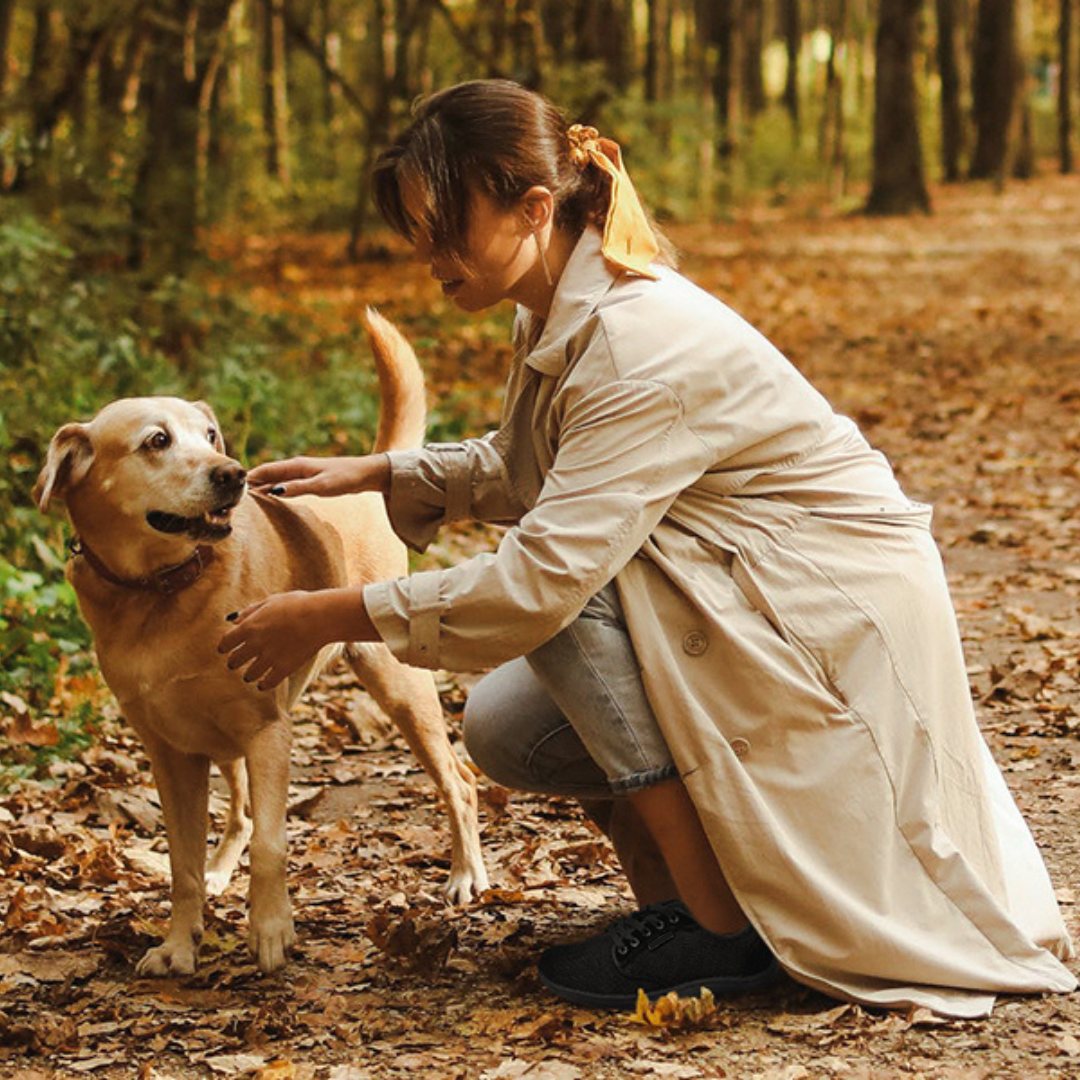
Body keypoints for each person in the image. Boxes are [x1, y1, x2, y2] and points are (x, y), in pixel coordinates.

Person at [219, 79, 1076, 1017]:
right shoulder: (556, 302)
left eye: (443, 231)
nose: (427, 258)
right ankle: (692, 900)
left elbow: (539, 580)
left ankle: (715, 922)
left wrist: (327, 616)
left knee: (561, 599)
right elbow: (538, 464)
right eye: (417, 233)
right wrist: (382, 472)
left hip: (823, 611)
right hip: (741, 584)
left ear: (533, 209)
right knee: (510, 727)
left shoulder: (634, 339)